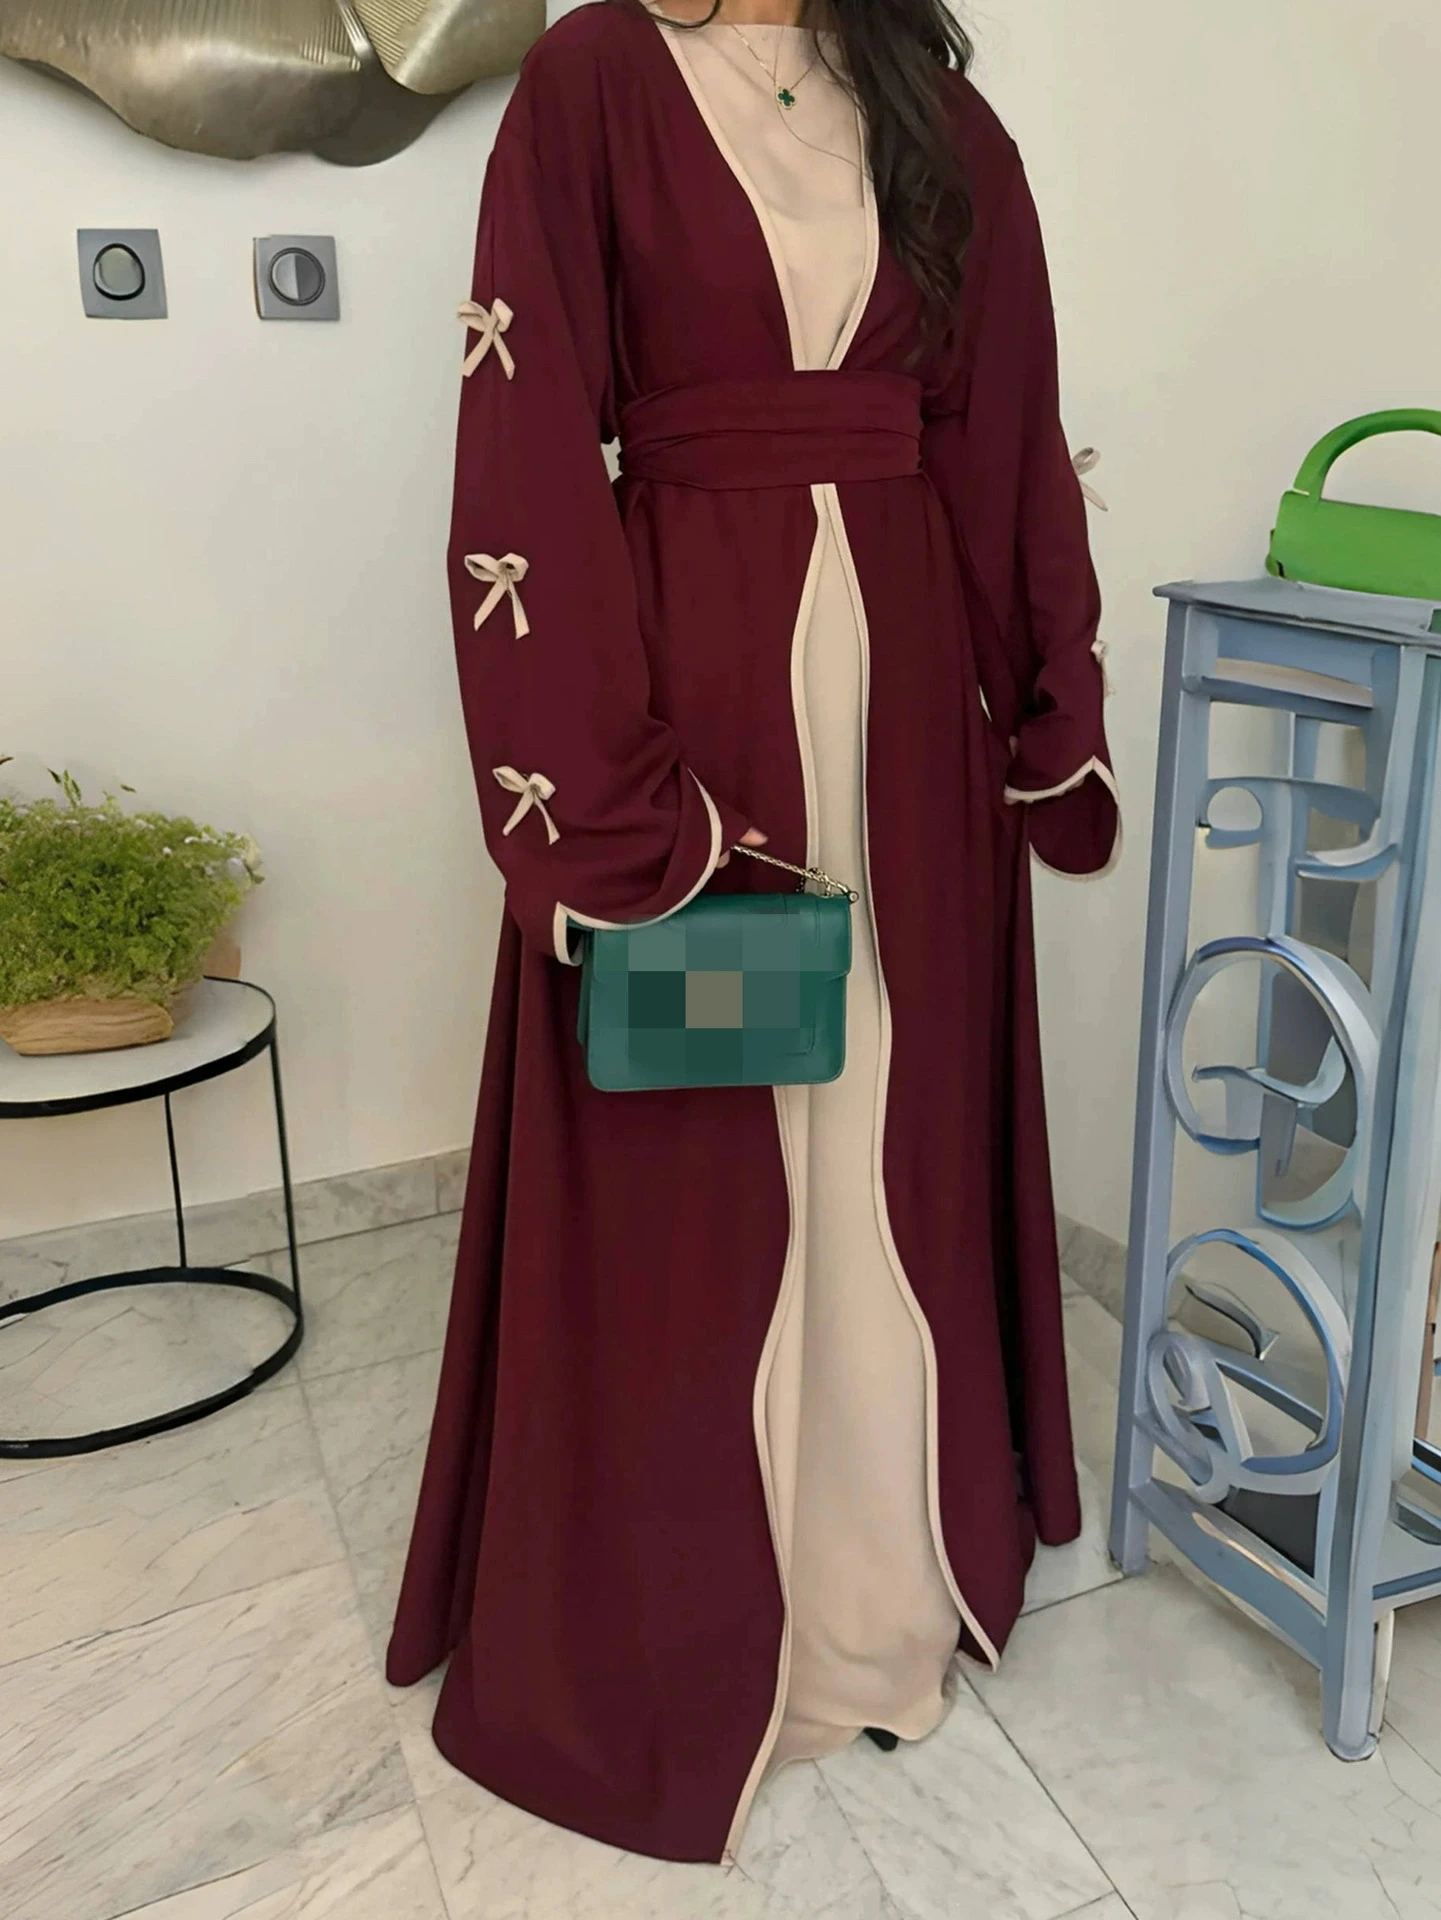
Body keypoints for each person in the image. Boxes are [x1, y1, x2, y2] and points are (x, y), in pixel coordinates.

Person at [387, 0, 1120, 1866]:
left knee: (883, 1115)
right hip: (697, 713)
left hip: (910, 722)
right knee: (704, 1146)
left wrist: (1048, 703)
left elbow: (1006, 428)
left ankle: (884, 1581)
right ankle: (696, 1618)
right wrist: (603, 790)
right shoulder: (595, 79)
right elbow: (525, 431)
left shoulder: (929, 107)